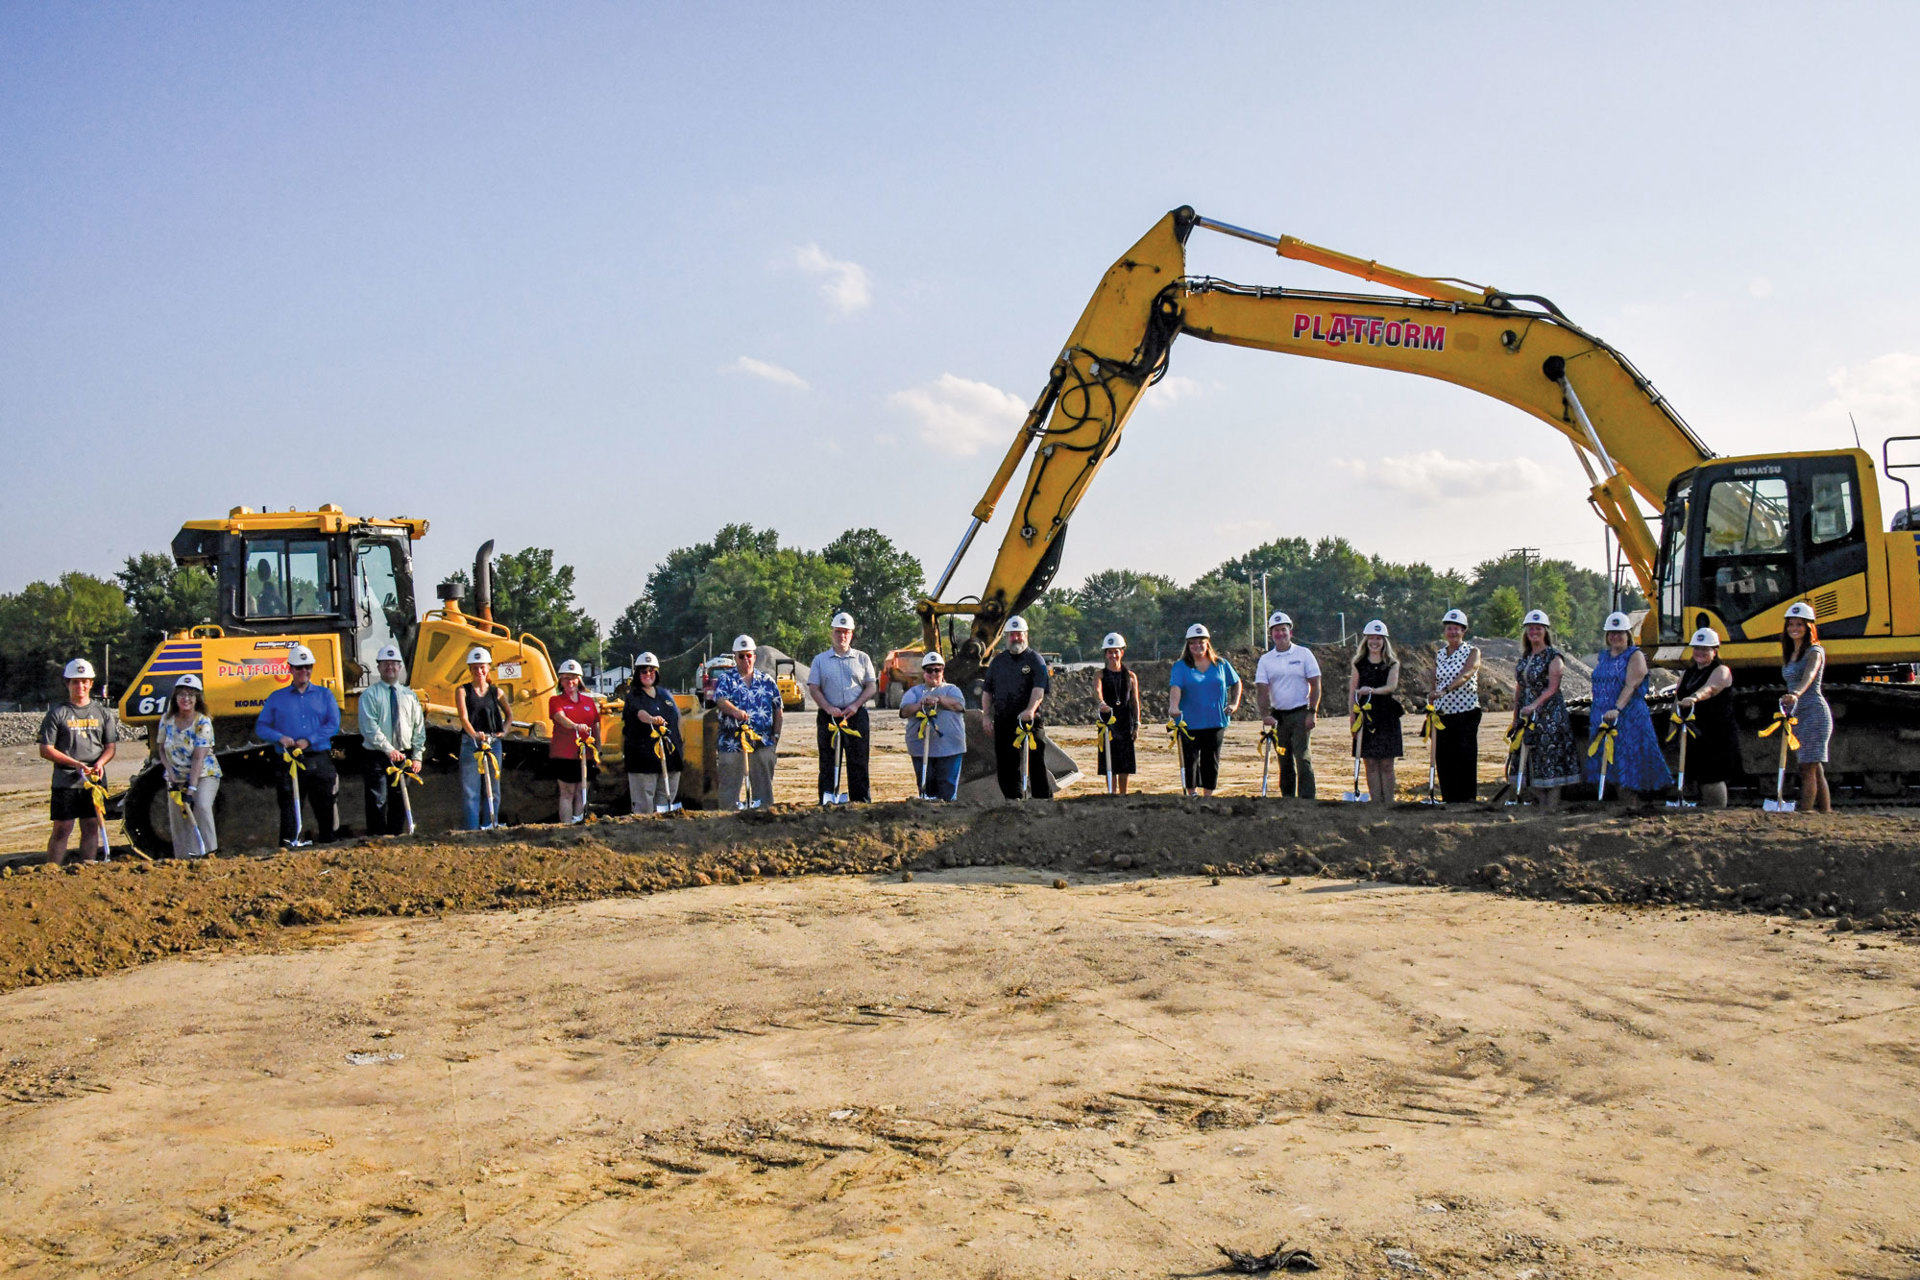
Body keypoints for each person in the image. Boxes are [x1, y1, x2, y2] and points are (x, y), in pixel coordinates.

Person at [254, 643, 340, 846]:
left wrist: (310, 739)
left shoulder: (325, 695)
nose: (304, 671)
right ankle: (288, 846)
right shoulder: (276, 698)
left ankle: (329, 844)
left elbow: (333, 725)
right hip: (288, 760)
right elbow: (262, 727)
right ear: (290, 669)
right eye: (299, 667)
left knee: (326, 804)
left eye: (308, 666)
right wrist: (279, 738)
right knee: (289, 806)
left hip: (318, 758)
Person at [1585, 612, 1673, 804]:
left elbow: (1631, 685)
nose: (1615, 636)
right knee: (1611, 763)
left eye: (1620, 633)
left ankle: (1632, 804)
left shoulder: (1635, 655)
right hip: (1602, 715)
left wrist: (1617, 708)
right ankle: (1621, 802)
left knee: (1629, 761)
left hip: (1627, 717)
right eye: (1611, 633)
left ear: (1628, 634)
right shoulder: (1603, 656)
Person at [38, 657, 119, 864]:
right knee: (62, 827)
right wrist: (76, 764)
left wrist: (100, 764)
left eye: (84, 681)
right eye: (75, 681)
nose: (80, 686)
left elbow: (110, 747)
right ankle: (52, 870)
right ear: (68, 683)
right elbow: (46, 749)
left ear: (91, 683)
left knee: (91, 825)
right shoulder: (57, 713)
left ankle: (87, 868)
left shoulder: (103, 713)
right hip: (65, 779)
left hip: (94, 779)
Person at [1509, 610, 1579, 806]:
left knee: (1550, 756)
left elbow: (1553, 687)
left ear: (1545, 631)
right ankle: (1539, 800)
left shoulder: (1553, 657)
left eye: (1538, 628)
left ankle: (1553, 804)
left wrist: (1534, 705)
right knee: (1528, 756)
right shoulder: (1525, 657)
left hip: (1549, 716)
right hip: (1526, 715)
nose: (1534, 632)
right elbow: (1520, 688)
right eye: (1531, 628)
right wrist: (1516, 715)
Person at [980, 616, 1055, 800]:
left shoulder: (1035, 660)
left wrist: (1029, 710)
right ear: (1007, 637)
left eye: (1019, 635)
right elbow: (987, 692)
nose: (1016, 639)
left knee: (1036, 762)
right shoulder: (998, 662)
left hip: (1030, 721)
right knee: (1006, 765)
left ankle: (1042, 801)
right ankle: (1013, 802)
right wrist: (986, 716)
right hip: (1004, 721)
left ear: (1026, 635)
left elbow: (1039, 690)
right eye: (1012, 635)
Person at [808, 612, 877, 804]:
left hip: (855, 715)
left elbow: (871, 687)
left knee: (859, 761)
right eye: (838, 632)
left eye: (846, 632)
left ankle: (861, 801)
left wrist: (855, 705)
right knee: (828, 761)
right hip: (829, 716)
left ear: (851, 634)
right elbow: (814, 688)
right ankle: (828, 799)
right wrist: (828, 707)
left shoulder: (862, 659)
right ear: (832, 633)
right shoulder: (820, 661)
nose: (842, 636)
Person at [358, 643, 424, 836]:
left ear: (400, 667)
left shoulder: (410, 696)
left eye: (394, 663)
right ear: (378, 667)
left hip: (404, 755)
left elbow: (419, 728)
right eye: (385, 664)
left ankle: (396, 836)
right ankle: (377, 838)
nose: (390, 667)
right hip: (377, 755)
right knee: (377, 799)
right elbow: (369, 728)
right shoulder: (369, 695)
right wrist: (388, 749)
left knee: (400, 799)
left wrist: (418, 755)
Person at [1168, 623, 1242, 796]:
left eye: (1201, 641)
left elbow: (1236, 682)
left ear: (1207, 642)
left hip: (1215, 720)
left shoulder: (1221, 665)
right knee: (1191, 759)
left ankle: (1208, 795)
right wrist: (1173, 706)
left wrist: (1234, 703)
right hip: (1189, 722)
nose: (1197, 645)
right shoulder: (1180, 666)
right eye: (1193, 642)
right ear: (1188, 645)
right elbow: (1175, 688)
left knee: (1211, 759)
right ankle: (1192, 793)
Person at [1254, 611, 1321, 798]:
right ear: (1271, 634)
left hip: (1301, 713)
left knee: (1302, 757)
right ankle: (1288, 798)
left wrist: (1312, 712)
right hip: (1279, 717)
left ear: (1290, 632)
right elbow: (1262, 689)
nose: (1280, 634)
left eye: (1283, 630)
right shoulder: (1266, 660)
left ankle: (1307, 799)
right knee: (1284, 759)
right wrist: (1265, 714)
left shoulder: (1304, 654)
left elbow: (1316, 684)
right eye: (1276, 630)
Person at [714, 634, 783, 809]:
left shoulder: (767, 681)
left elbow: (778, 709)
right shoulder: (726, 679)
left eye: (749, 655)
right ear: (735, 657)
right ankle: (727, 822)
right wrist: (735, 712)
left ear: (755, 656)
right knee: (729, 789)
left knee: (764, 791)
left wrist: (775, 737)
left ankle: (764, 818)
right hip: (732, 744)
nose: (746, 660)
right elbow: (721, 700)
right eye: (741, 656)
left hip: (762, 743)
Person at [1674, 626, 1737, 809]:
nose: (1700, 652)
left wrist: (1694, 698)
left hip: (1716, 733)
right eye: (1697, 648)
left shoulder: (1721, 670)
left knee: (1713, 776)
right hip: (1696, 731)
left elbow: (1711, 688)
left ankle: (1718, 811)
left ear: (1714, 651)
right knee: (1700, 774)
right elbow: (1677, 698)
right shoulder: (1688, 673)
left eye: (1705, 649)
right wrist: (1673, 725)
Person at [159, 673, 220, 856]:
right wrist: (170, 773)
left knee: (200, 805)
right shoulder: (167, 720)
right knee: (178, 816)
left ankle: (209, 851)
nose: (186, 699)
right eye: (182, 695)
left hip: (203, 774)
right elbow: (161, 749)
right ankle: (183, 857)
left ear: (197, 699)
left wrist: (191, 789)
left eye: (191, 695)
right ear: (175, 697)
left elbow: (198, 758)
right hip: (175, 776)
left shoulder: (203, 722)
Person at [1780, 601, 1833, 813]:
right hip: (1798, 713)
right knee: (1815, 767)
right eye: (1791, 624)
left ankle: (1806, 812)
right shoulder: (1790, 652)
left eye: (1799, 624)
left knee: (1807, 767)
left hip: (1813, 712)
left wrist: (1795, 694)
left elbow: (1809, 676)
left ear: (1809, 627)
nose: (1794, 628)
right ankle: (1826, 810)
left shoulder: (1814, 651)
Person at [456, 646, 512, 829]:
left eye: (482, 667)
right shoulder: (462, 691)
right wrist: (474, 735)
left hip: (493, 744)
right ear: (470, 669)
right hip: (471, 743)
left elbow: (509, 715)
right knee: (471, 790)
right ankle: (472, 829)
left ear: (488, 668)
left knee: (493, 789)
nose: (479, 671)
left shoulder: (497, 692)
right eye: (475, 667)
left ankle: (491, 824)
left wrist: (503, 731)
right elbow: (463, 717)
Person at [1349, 620, 1404, 804]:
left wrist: (1371, 691)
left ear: (1384, 641)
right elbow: (1352, 693)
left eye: (1378, 638)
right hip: (1365, 718)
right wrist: (1353, 721)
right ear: (1366, 640)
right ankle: (1376, 803)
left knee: (1387, 763)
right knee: (1370, 763)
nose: (1375, 642)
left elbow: (1391, 687)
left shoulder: (1392, 663)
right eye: (1371, 638)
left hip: (1387, 717)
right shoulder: (1358, 664)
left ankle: (1389, 803)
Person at [899, 651, 966, 800]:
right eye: (930, 670)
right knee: (926, 785)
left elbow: (959, 705)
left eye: (938, 670)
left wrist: (939, 699)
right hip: (921, 749)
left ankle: (947, 815)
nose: (934, 673)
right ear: (924, 672)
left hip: (950, 748)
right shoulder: (914, 692)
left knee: (947, 787)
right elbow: (904, 711)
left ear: (942, 671)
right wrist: (920, 703)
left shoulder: (952, 689)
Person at [1431, 609, 1482, 803]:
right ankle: (1449, 797)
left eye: (1456, 629)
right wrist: (1433, 695)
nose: (1452, 632)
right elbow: (1434, 679)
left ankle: (1467, 798)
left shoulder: (1472, 651)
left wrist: (1446, 689)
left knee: (1465, 754)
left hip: (1466, 711)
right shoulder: (1439, 654)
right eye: (1449, 628)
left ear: (1463, 631)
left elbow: (1468, 673)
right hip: (1443, 713)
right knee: (1444, 757)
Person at [622, 652, 683, 814]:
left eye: (651, 670)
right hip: (643, 758)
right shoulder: (633, 696)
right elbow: (639, 713)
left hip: (669, 758)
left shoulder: (665, 694)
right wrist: (651, 719)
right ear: (637, 674)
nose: (648, 674)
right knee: (644, 803)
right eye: (643, 671)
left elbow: (677, 719)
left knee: (664, 800)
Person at [547, 658, 600, 823]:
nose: (570, 682)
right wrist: (575, 726)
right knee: (567, 792)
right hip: (564, 754)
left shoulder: (589, 702)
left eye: (573, 678)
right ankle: (566, 826)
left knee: (582, 791)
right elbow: (560, 717)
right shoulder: (556, 700)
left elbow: (595, 726)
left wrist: (598, 749)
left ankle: (579, 823)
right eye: (566, 678)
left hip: (587, 754)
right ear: (561, 681)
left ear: (579, 680)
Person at [1095, 632, 1141, 793]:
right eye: (1110, 652)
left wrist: (1137, 724)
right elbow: (1097, 691)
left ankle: (1123, 794)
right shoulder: (1100, 674)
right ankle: (1111, 793)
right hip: (1107, 722)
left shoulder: (1131, 676)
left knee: (1124, 763)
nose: (1113, 655)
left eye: (1116, 651)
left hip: (1125, 722)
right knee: (1109, 760)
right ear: (1106, 654)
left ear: (1122, 652)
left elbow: (1135, 701)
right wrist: (1101, 704)